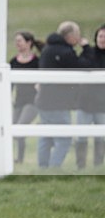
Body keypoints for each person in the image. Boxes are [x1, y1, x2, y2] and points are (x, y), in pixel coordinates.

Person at [35, 21, 89, 168]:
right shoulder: (65, 52)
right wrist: (85, 48)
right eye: (77, 35)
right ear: (70, 36)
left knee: (46, 136)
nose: (78, 39)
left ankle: (43, 167)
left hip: (43, 100)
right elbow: (82, 66)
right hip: (57, 103)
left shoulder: (48, 49)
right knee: (64, 138)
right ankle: (54, 167)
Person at [9, 30, 43, 164]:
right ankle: (14, 158)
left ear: (28, 43)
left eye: (20, 41)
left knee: (20, 127)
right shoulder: (13, 62)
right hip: (19, 101)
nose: (17, 43)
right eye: (16, 41)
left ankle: (20, 158)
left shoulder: (37, 62)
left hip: (33, 101)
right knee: (12, 128)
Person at [75, 23, 105, 168]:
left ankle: (98, 166)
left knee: (101, 136)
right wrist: (86, 49)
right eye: (100, 36)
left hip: (102, 104)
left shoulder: (90, 52)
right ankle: (81, 165)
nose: (102, 39)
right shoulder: (89, 52)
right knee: (81, 136)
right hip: (85, 102)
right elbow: (83, 65)